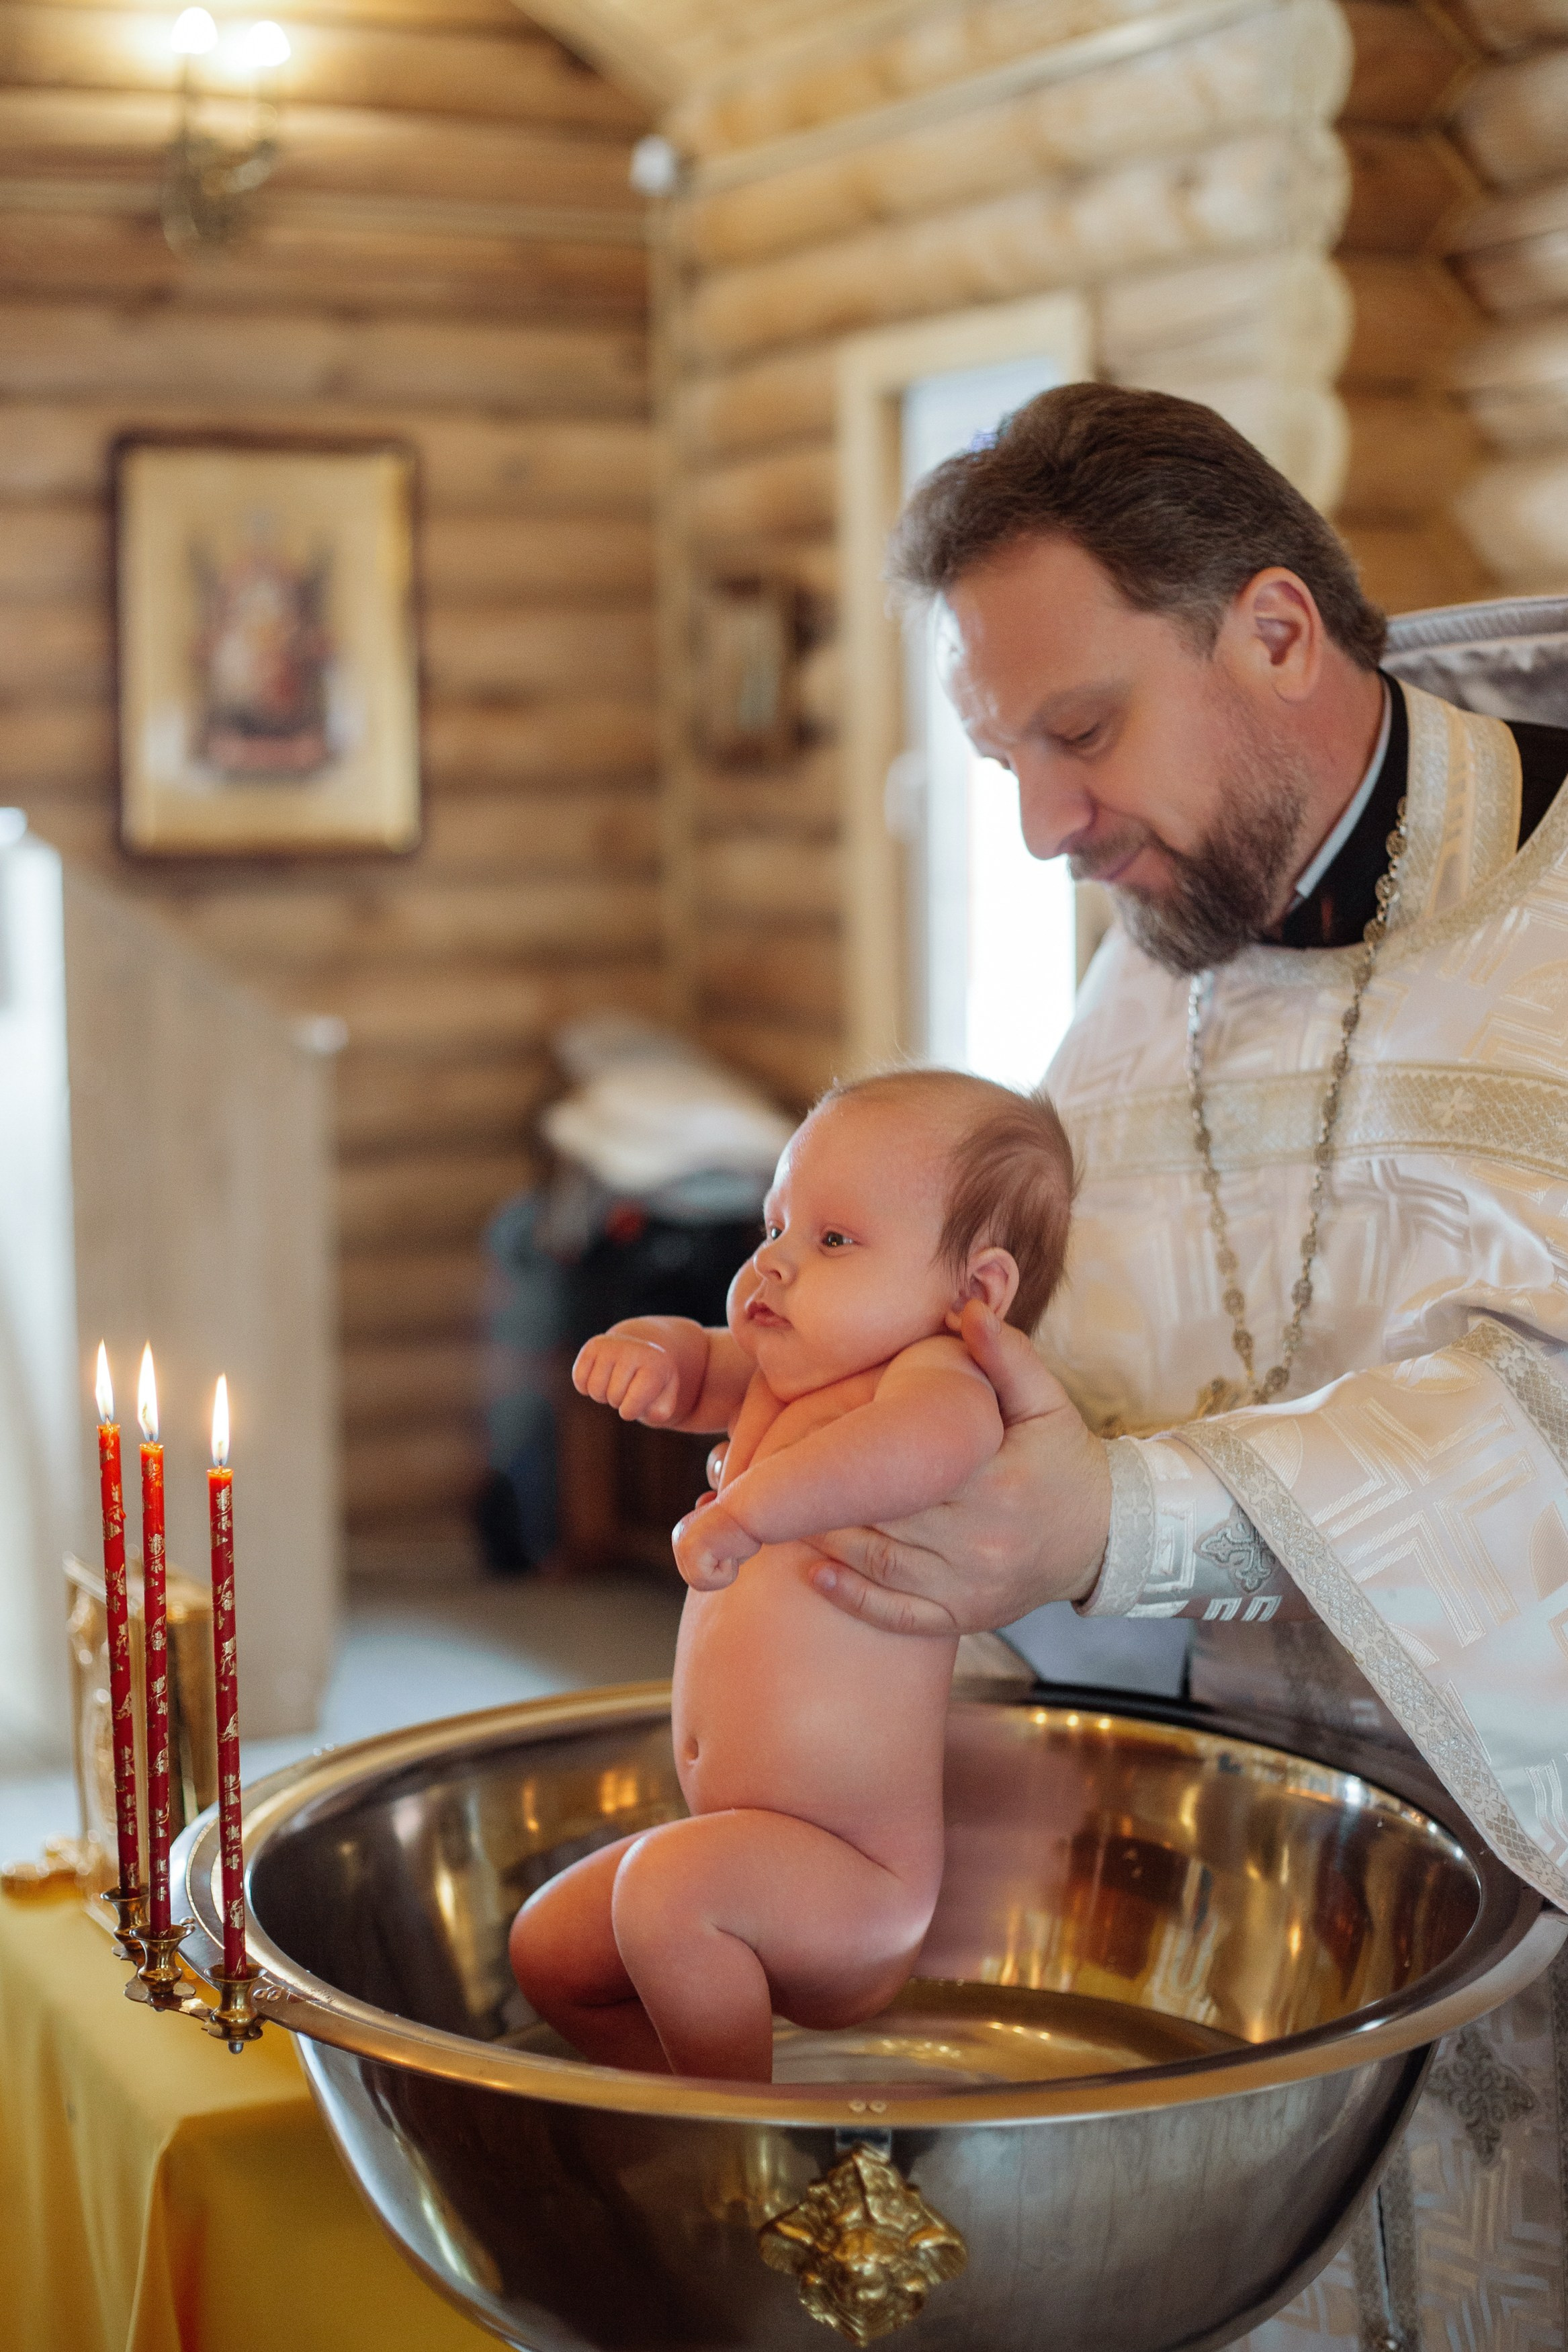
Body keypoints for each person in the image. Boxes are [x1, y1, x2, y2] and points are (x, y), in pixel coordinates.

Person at [796, 382, 1568, 2348]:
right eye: (1007, 759)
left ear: (1277, 630)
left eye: (1078, 730)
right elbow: (1028, 1348)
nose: (1049, 827)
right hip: (1246, 1928)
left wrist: (1126, 1514)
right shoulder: (1153, 957)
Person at [509, 1070, 1072, 2081]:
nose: (771, 1265)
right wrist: (650, 1351)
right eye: (775, 1226)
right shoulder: (784, 1368)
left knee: (665, 1895)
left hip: (856, 1883)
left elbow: (920, 1450)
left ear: (973, 1293)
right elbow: (701, 1364)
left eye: (832, 1241)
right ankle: (658, 2121)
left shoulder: (934, 1382)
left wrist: (748, 1511)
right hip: (744, 1849)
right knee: (549, 1953)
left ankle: (734, 2138)